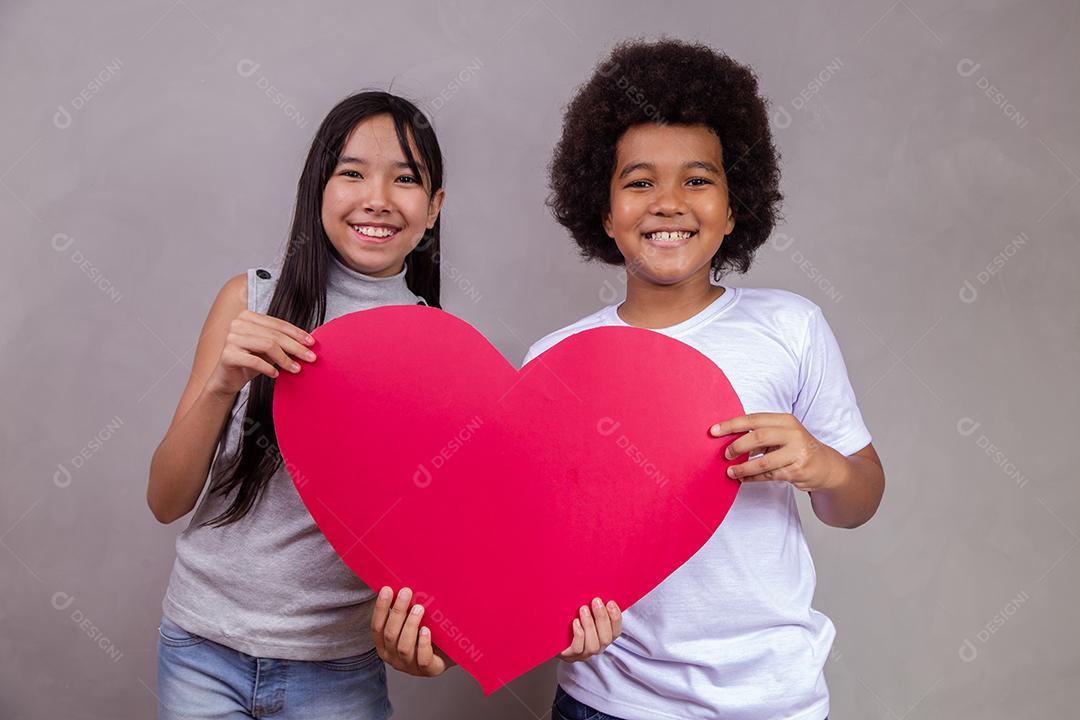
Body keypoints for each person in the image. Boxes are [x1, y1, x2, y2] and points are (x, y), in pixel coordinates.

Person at [530, 39, 886, 720]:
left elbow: (860, 500)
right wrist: (560, 629)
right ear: (603, 212)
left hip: (771, 701)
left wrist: (824, 466)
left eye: (697, 180)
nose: (668, 202)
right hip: (608, 702)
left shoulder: (792, 327)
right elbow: (541, 546)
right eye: (638, 182)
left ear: (734, 207)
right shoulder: (558, 361)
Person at [147, 91, 447, 719]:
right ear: (318, 190)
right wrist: (222, 384)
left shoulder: (442, 358)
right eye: (352, 172)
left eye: (406, 179)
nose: (378, 198)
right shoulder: (249, 301)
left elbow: (442, 547)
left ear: (434, 208)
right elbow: (165, 500)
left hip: (335, 670)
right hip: (201, 649)